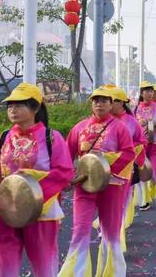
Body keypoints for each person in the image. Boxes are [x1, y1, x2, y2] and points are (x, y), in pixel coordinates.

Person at [0, 83, 73, 277]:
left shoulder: (51, 138)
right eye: (10, 106)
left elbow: (64, 172)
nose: (13, 109)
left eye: (19, 105)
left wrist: (30, 196)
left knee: (44, 269)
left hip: (41, 214)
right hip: (5, 213)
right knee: (3, 270)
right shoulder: (1, 139)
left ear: (35, 108)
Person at [60, 87, 135, 277]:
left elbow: (129, 154)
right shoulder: (79, 128)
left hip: (111, 185)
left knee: (110, 232)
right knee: (79, 230)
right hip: (84, 186)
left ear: (111, 104)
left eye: (103, 100)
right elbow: (65, 156)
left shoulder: (120, 127)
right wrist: (68, 175)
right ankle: (76, 273)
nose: (99, 104)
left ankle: (112, 272)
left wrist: (105, 160)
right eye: (95, 100)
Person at [106, 85, 147, 252]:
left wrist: (128, 151)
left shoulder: (131, 122)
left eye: (113, 100)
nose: (110, 104)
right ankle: (107, 228)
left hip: (124, 168)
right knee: (106, 201)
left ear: (123, 103)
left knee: (121, 202)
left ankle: (116, 231)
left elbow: (141, 141)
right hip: (103, 169)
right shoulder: (103, 121)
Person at [134, 81, 156, 209]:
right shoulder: (136, 108)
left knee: (154, 170)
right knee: (142, 171)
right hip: (141, 145)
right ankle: (144, 200)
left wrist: (155, 124)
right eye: (146, 91)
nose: (149, 93)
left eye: (151, 91)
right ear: (141, 93)